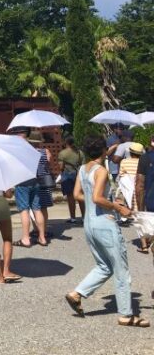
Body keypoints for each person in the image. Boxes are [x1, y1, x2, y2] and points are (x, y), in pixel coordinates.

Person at [65, 136, 149, 327]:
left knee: (104, 266)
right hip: (105, 223)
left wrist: (105, 201)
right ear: (104, 150)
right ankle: (126, 314)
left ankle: (77, 293)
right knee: (121, 270)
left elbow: (78, 194)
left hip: (89, 223)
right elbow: (97, 198)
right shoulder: (101, 170)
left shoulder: (83, 169)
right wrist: (117, 207)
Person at [12, 127, 48, 248]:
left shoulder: (20, 150)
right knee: (37, 209)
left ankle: (26, 238)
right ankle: (42, 237)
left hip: (22, 182)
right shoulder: (38, 151)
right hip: (35, 181)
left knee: (24, 210)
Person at [119, 142, 147, 252]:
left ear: (130, 152)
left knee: (138, 217)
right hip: (144, 191)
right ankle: (149, 240)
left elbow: (121, 176)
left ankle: (144, 245)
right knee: (147, 217)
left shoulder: (124, 162)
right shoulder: (144, 162)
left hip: (132, 194)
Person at [58, 136, 85, 223]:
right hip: (79, 175)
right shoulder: (80, 152)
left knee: (70, 197)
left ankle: (73, 218)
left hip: (67, 175)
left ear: (66, 143)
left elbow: (61, 167)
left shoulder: (63, 153)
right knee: (80, 196)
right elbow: (83, 164)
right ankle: (84, 217)